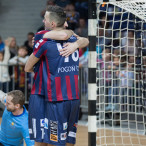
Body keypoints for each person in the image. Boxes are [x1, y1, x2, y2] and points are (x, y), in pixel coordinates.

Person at [25, 5, 89, 146]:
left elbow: (27, 67)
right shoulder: (72, 38)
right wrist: (76, 43)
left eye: (45, 19)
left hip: (51, 96)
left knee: (47, 139)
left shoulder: (43, 40)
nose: (43, 21)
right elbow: (82, 39)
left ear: (53, 23)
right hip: (70, 96)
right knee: (66, 138)